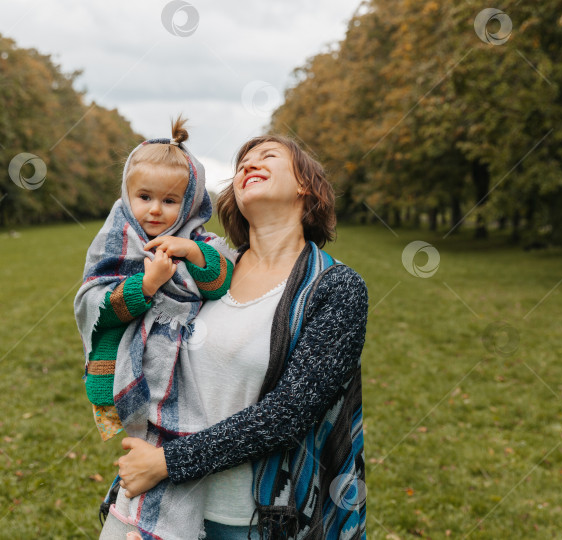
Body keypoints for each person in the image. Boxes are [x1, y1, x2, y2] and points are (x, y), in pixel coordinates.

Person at [111, 135, 369, 539]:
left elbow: (290, 414)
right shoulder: (203, 271)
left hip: (249, 520)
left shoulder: (336, 288)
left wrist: (167, 462)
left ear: (306, 185)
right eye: (242, 163)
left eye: (267, 157)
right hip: (156, 506)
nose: (249, 164)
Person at [74, 117, 236, 540]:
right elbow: (95, 305)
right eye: (144, 197)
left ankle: (165, 527)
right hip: (137, 368)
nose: (155, 210)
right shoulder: (116, 241)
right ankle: (138, 520)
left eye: (169, 201)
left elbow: (220, 282)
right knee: (146, 447)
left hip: (190, 373)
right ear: (127, 196)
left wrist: (191, 253)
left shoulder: (201, 242)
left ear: (190, 204)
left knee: (177, 449)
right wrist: (145, 285)